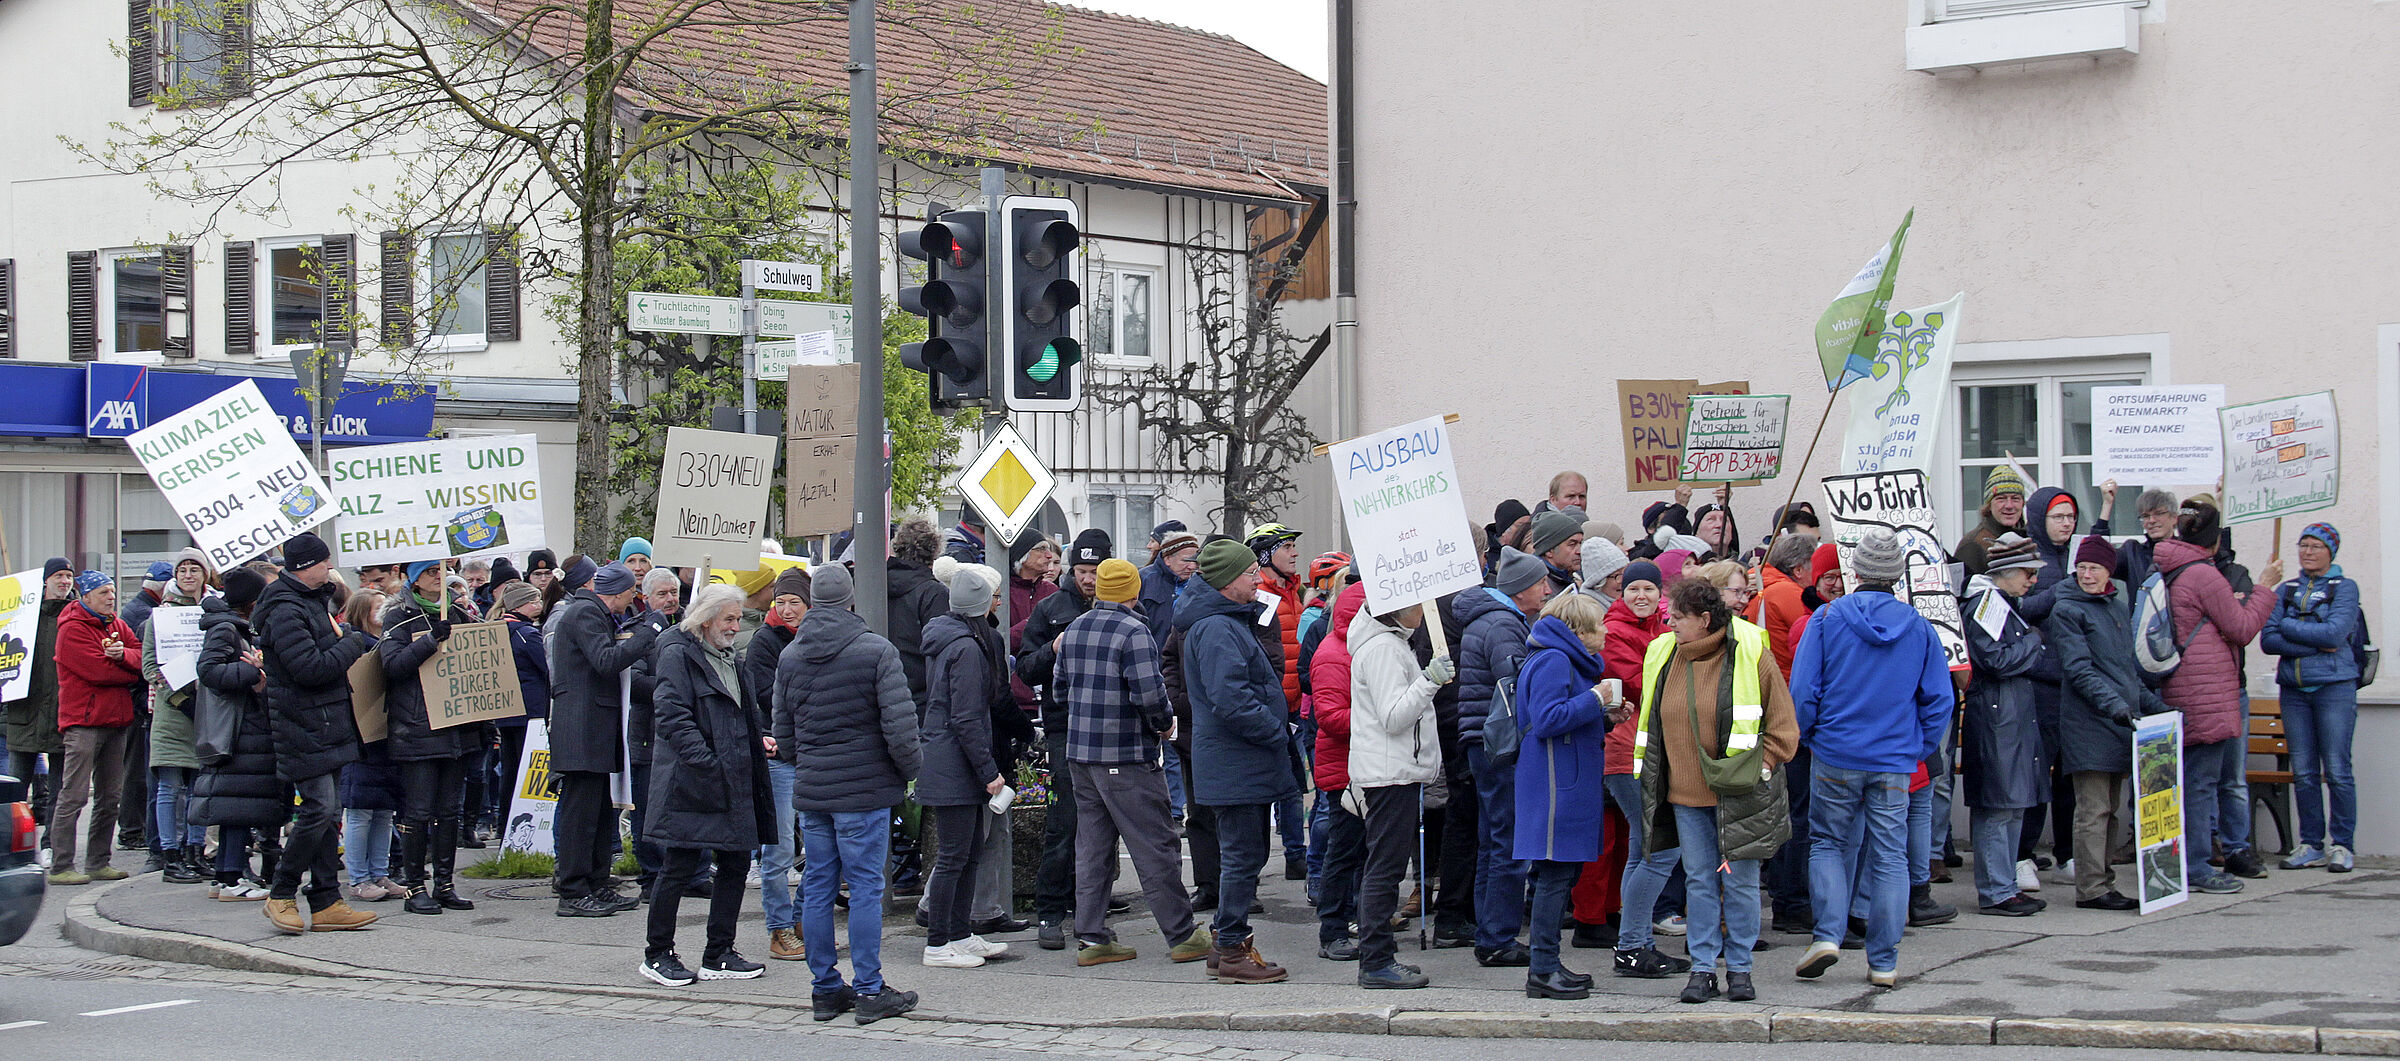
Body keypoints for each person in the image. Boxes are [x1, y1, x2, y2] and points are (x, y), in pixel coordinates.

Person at [1789, 529, 1953, 989]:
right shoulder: (1920, 627)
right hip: (1894, 758)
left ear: (1854, 572)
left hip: (1837, 751)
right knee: (1889, 857)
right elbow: (1939, 700)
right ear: (1898, 575)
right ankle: (1884, 959)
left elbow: (1803, 691)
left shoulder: (1826, 619)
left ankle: (1827, 934)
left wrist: (1809, 735)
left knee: (1826, 843)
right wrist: (1916, 747)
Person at [774, 564, 923, 1025]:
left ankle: (824, 989)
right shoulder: (875, 651)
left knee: (818, 885)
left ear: (814, 600)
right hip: (864, 789)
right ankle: (870, 988)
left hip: (816, 788)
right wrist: (910, 772)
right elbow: (900, 729)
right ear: (851, 599)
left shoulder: (792, 656)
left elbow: (785, 733)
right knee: (864, 888)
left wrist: (810, 764)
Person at [1636, 578, 1798, 1004]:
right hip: (1685, 798)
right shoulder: (1663, 655)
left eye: (1677, 616)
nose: (1668, 621)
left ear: (1705, 620)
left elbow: (1784, 729)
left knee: (1741, 884)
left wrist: (1760, 765)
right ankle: (1704, 969)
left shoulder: (1749, 655)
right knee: (1700, 883)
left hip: (1741, 795)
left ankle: (1740, 969)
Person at [1056, 558, 1210, 967]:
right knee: (1155, 844)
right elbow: (1149, 695)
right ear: (1133, 591)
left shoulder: (1074, 629)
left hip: (1080, 755)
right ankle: (1182, 935)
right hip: (1125, 755)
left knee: (1092, 848)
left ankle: (1092, 939)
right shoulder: (1134, 631)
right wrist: (1164, 724)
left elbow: (1057, 690)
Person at [635, 585, 775, 987]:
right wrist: (706, 762)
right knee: (678, 867)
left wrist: (756, 738)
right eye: (729, 619)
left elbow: (741, 711)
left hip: (733, 776)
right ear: (707, 619)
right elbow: (673, 715)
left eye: (737, 618)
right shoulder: (678, 653)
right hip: (693, 781)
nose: (735, 626)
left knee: (734, 863)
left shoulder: (732, 659)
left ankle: (719, 953)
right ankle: (657, 953)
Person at [1180, 538, 1302, 984]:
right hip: (1237, 761)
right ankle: (1231, 947)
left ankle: (1225, 944)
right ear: (1229, 580)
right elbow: (1231, 699)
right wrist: (1277, 732)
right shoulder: (1215, 628)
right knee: (1242, 857)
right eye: (1251, 573)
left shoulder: (1224, 621)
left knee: (1244, 856)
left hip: (1240, 761)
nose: (1258, 579)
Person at [251, 532, 380, 933]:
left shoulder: (311, 600)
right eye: (324, 562)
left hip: (325, 721)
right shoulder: (285, 609)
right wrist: (353, 645)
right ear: (306, 566)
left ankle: (326, 900)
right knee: (319, 809)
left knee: (329, 815)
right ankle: (281, 892)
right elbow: (309, 667)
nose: (330, 568)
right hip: (301, 723)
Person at [2153, 502, 2280, 894]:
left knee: (2189, 782)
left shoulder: (2166, 563)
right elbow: (2241, 628)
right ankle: (2196, 866)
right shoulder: (2203, 575)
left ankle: (2183, 864)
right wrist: (2264, 587)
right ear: (2213, 539)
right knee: (2201, 785)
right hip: (2204, 690)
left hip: (2178, 687)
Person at [1452, 547, 1551, 968]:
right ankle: (1498, 937)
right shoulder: (1503, 624)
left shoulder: (1490, 618)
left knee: (1493, 839)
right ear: (1521, 589)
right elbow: (1516, 685)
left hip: (1482, 741)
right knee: (1507, 840)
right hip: (1499, 743)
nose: (1547, 590)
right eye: (1541, 583)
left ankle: (1489, 930)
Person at [2043, 537, 2154, 911]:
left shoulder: (2117, 608)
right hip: (2089, 723)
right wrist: (2116, 706)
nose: (2087, 575)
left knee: (2111, 808)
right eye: (2082, 568)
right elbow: (2079, 670)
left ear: (2110, 572)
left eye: (2095, 568)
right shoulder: (2068, 609)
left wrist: (2157, 707)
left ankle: (2104, 881)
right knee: (2092, 810)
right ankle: (2091, 888)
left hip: (2118, 722)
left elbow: (2126, 671)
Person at [1347, 588, 1450, 990]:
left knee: (1384, 867)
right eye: (1419, 606)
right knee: (1385, 869)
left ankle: (1378, 957)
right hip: (1391, 774)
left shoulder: (1388, 644)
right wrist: (1429, 681)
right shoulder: (1383, 650)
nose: (1425, 614)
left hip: (1395, 771)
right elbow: (1394, 716)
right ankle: (1376, 961)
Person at [1514, 591, 1614, 1000]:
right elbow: (1547, 719)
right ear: (1578, 630)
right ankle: (1541, 969)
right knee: (1554, 877)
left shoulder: (1560, 658)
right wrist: (1595, 699)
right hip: (1556, 783)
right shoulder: (1555, 659)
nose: (1605, 630)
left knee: (1561, 875)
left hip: (1565, 779)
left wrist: (1603, 716)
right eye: (1598, 624)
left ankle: (1549, 962)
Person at [547, 558, 661, 917]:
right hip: (581, 727)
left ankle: (595, 882)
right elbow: (606, 660)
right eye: (630, 594)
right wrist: (649, 632)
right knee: (581, 813)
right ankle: (573, 888)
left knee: (598, 811)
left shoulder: (593, 613)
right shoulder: (583, 614)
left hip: (594, 725)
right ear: (618, 592)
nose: (631, 600)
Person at [914, 564, 1013, 969]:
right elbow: (968, 717)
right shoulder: (968, 648)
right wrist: (989, 771)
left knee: (968, 851)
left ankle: (959, 932)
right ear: (980, 606)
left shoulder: (949, 638)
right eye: (992, 597)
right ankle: (938, 943)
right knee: (955, 855)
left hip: (948, 757)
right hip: (954, 762)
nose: (997, 602)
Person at [1015, 528, 1107, 949]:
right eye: (1082, 570)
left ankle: (1092, 910)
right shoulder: (1052, 608)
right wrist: (1053, 647)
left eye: (1095, 570)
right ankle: (1049, 911)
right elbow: (1027, 669)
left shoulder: (1119, 606)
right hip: (1065, 726)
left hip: (1110, 729)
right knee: (1064, 822)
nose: (1088, 578)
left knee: (1104, 828)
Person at [379, 560, 481, 915]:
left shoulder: (459, 612)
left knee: (449, 811)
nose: (439, 577)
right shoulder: (399, 617)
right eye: (430, 573)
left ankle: (445, 883)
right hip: (418, 727)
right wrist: (430, 641)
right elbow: (392, 666)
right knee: (419, 811)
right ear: (415, 579)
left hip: (456, 728)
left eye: (442, 572)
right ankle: (414, 886)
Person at [1960, 535, 2053, 916]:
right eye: (2028, 573)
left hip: (2008, 719)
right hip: (1998, 719)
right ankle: (1997, 889)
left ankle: (2004, 886)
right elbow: (1996, 661)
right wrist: (2033, 642)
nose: (2033, 580)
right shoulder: (1987, 605)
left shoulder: (2001, 604)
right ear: (2006, 571)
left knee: (2010, 805)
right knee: (1999, 808)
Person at [2262, 523, 2362, 873]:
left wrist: (2291, 628)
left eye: (2316, 546)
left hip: (2334, 687)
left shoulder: (2345, 588)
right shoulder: (2287, 589)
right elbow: (2268, 640)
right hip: (2294, 691)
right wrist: (2314, 639)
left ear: (2330, 551)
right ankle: (2311, 844)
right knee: (2303, 772)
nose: (2307, 552)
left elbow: (2336, 633)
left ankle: (2342, 845)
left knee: (2336, 769)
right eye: (2303, 545)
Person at [1599, 560, 1683, 962]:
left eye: (1649, 589)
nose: (1641, 596)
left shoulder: (1661, 632)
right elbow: (1641, 681)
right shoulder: (1613, 632)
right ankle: (1632, 945)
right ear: (1622, 592)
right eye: (1634, 589)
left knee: (1641, 851)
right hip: (1626, 753)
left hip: (1647, 752)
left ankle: (1635, 944)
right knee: (1662, 850)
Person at [47, 570, 145, 885]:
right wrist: (127, 669)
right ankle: (61, 866)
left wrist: (123, 656)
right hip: (83, 723)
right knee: (74, 795)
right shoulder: (72, 629)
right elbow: (98, 672)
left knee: (110, 795)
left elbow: (142, 657)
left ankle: (98, 862)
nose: (111, 597)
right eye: (104, 592)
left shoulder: (117, 624)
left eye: (113, 592)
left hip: (116, 721)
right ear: (86, 596)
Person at [190, 566, 281, 902]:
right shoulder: (226, 629)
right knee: (236, 806)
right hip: (238, 730)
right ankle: (230, 878)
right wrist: (251, 670)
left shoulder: (234, 627)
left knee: (236, 807)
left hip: (242, 728)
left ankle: (228, 874)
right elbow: (208, 670)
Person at [741, 566, 809, 960]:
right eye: (780, 601)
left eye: (794, 602)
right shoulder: (766, 641)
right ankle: (779, 928)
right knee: (779, 849)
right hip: (779, 755)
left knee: (817, 849)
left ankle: (802, 920)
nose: (785, 609)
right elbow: (764, 693)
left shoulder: (815, 635)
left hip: (811, 753)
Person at [138, 549, 214, 883]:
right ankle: (170, 856)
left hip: (206, 707)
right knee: (170, 787)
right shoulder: (160, 616)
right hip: (172, 710)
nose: (187, 575)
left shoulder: (214, 611)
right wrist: (182, 694)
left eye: (194, 569)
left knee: (200, 786)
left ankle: (194, 853)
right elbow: (149, 666)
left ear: (204, 575)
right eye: (181, 569)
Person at [1244, 522, 1311, 883]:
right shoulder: (1257, 594)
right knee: (1261, 790)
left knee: (1292, 785)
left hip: (1296, 705)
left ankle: (1296, 855)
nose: (1295, 553)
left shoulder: (1292, 590)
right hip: (1269, 705)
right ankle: (1250, 869)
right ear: (1266, 554)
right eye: (1286, 547)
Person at [1307, 580, 1368, 961]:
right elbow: (1329, 717)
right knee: (1343, 852)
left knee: (1364, 852)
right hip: (1343, 769)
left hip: (1364, 765)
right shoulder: (1332, 653)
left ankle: (1358, 919)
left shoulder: (1364, 648)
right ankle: (1332, 929)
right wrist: (1378, 717)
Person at [337, 590, 404, 904]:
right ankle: (359, 879)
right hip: (362, 737)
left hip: (387, 734)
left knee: (383, 812)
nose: (385, 611)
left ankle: (380, 872)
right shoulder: (354, 645)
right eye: (378, 607)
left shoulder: (389, 644)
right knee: (361, 811)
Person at [5, 559, 74, 846]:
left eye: (69, 576)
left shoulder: (76, 616)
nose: (64, 581)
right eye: (58, 575)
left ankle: (50, 844)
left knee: (60, 789)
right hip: (24, 715)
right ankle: (10, 844)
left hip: (62, 714)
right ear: (45, 580)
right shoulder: (23, 616)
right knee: (15, 789)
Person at [494, 579, 549, 848]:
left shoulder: (496, 630)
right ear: (522, 605)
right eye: (535, 600)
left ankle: (503, 824)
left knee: (509, 770)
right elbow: (546, 667)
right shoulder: (527, 633)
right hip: (529, 712)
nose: (540, 605)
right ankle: (517, 825)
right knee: (523, 772)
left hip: (505, 710)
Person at [1954, 466, 2029, 577]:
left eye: (2015, 498)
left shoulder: (2026, 539)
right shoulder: (1973, 545)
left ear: (2023, 503)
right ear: (1989, 505)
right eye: (2001, 499)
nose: (2009, 505)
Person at [2114, 489, 2178, 590]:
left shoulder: (2186, 552)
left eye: (2158, 514)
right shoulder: (2133, 553)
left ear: (2174, 518)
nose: (2151, 520)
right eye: (2146, 516)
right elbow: (2098, 559)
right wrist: (2107, 504)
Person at [1579, 536, 1630, 606]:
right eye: (1616, 575)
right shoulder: (1590, 613)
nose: (1622, 579)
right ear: (1597, 583)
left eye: (1625, 572)